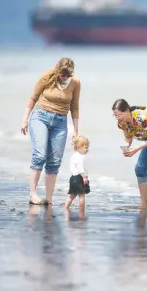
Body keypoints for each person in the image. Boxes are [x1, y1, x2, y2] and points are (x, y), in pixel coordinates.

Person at [20, 57, 81, 206]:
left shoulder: (75, 83)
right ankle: (33, 194)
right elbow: (33, 98)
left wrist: (75, 130)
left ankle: (48, 198)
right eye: (62, 74)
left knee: (54, 161)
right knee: (40, 155)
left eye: (68, 75)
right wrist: (25, 119)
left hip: (60, 122)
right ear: (57, 70)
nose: (64, 77)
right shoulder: (47, 77)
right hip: (40, 116)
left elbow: (75, 107)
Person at [64, 135, 90, 219]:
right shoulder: (79, 157)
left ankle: (65, 208)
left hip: (72, 178)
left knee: (71, 195)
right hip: (79, 178)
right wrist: (84, 177)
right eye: (85, 147)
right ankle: (81, 212)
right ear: (78, 147)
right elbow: (80, 168)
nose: (87, 149)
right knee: (82, 196)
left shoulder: (74, 156)